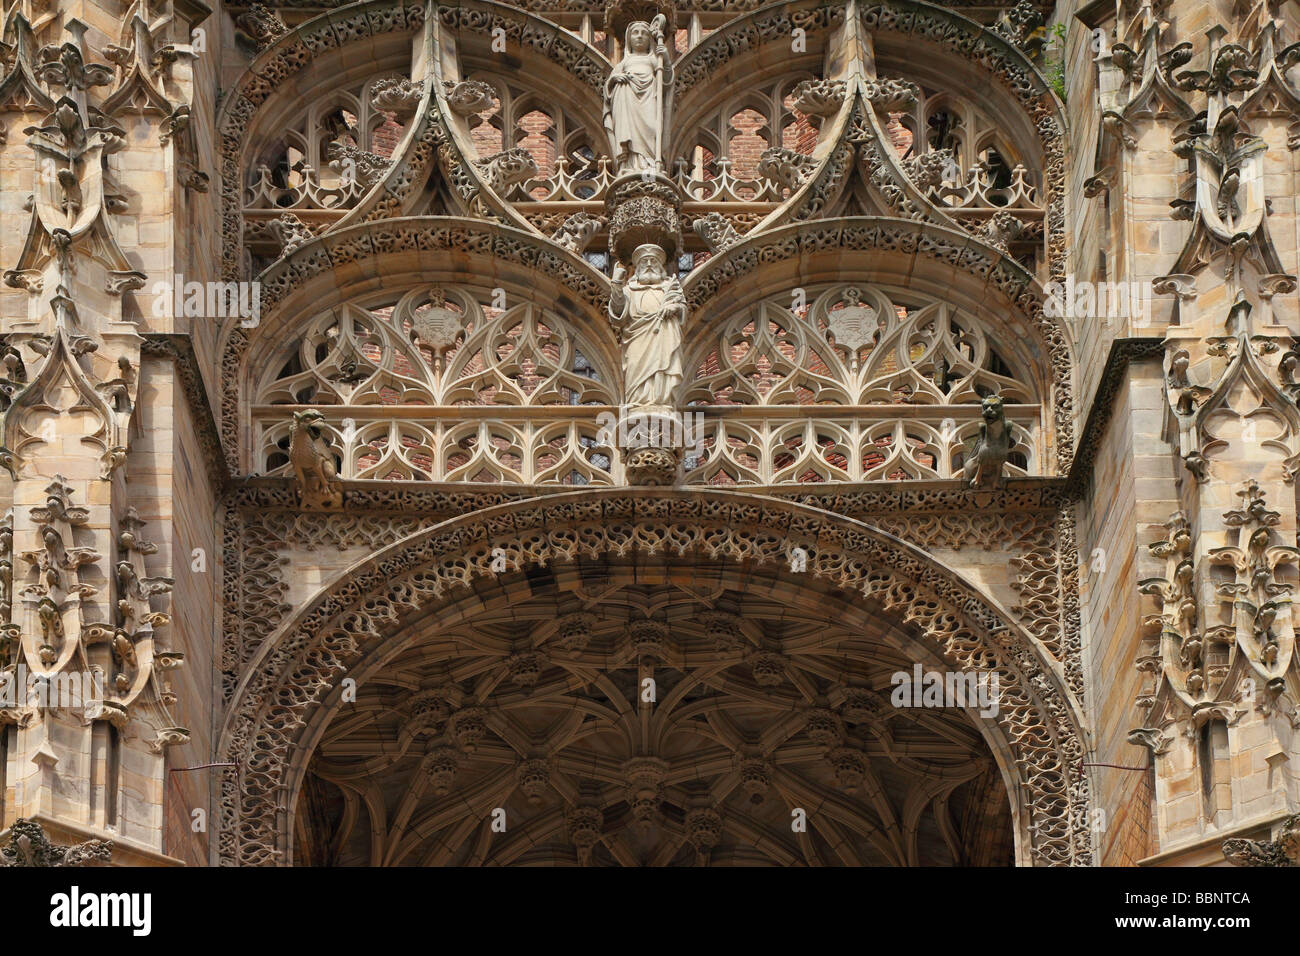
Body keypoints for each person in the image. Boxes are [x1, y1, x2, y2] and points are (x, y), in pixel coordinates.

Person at [609, 244, 686, 409]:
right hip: (637, 337)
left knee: (662, 368)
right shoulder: (629, 289)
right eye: (644, 262)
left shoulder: (669, 289)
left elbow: (682, 310)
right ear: (637, 268)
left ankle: (662, 399)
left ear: (660, 267)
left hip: (663, 336)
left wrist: (674, 308)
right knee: (636, 368)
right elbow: (617, 313)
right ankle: (637, 400)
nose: (649, 265)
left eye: (653, 261)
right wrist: (616, 284)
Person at [602, 20, 672, 176]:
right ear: (628, 39)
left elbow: (666, 80)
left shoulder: (653, 60)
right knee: (630, 134)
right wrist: (615, 80)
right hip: (627, 103)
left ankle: (651, 163)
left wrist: (665, 58)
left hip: (649, 100)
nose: (640, 36)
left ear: (650, 40)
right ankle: (631, 165)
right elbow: (608, 91)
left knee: (652, 129)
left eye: (644, 33)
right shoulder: (624, 62)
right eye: (635, 33)